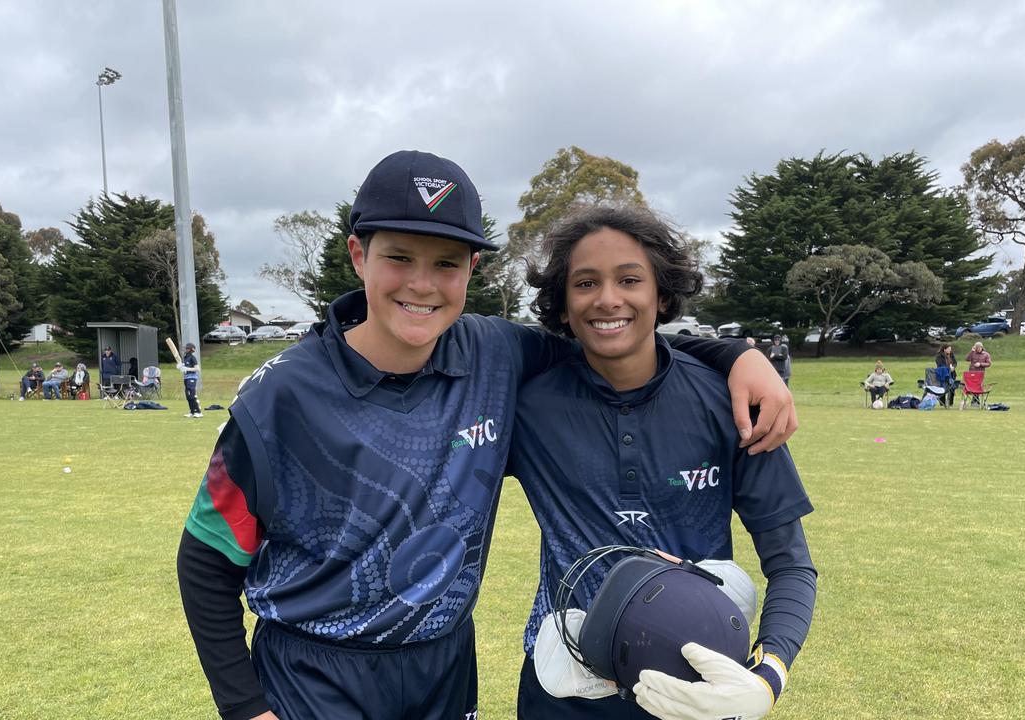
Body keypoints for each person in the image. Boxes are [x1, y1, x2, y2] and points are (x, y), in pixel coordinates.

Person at [175, 151, 798, 720]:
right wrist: (244, 708)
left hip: (444, 667)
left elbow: (615, 334)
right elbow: (206, 559)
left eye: (446, 264)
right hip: (313, 674)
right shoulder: (278, 396)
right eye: (398, 257)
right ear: (358, 255)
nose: (422, 283)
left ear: (471, 268)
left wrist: (737, 356)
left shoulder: (496, 353)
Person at [509, 205, 815, 720]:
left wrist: (766, 677)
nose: (608, 299)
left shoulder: (731, 402)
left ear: (663, 296)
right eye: (585, 283)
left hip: (696, 691)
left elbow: (791, 564)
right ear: (562, 305)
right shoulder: (526, 404)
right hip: (562, 689)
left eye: (630, 279)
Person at [964, 342, 991, 406]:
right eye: (976, 348)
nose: (977, 349)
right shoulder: (973, 353)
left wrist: (980, 364)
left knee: (978, 386)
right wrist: (971, 351)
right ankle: (975, 401)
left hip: (980, 373)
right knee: (972, 386)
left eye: (979, 348)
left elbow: (989, 364)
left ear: (982, 347)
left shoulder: (986, 354)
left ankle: (975, 401)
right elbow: (967, 359)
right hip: (972, 373)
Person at [179, 343, 202, 418]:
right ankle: (192, 411)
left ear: (191, 349)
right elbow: (183, 367)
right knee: (188, 396)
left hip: (192, 378)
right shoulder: (185, 357)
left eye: (187, 348)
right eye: (186, 348)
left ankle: (198, 412)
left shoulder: (192, 357)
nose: (186, 350)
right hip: (186, 378)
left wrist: (187, 369)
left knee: (192, 395)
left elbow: (197, 369)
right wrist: (180, 367)